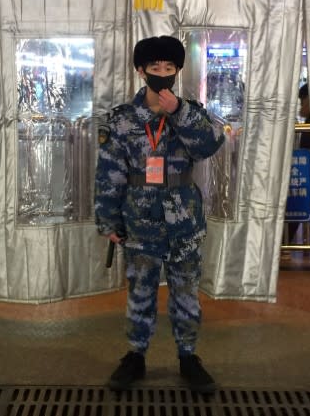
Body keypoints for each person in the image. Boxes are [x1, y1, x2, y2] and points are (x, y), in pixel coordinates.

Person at [95, 36, 225, 394]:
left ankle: (188, 357)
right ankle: (135, 356)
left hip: (184, 222)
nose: (162, 74)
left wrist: (178, 112)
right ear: (141, 71)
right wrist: (108, 220)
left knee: (186, 294)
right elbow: (109, 173)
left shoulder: (191, 113)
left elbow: (210, 145)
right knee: (140, 293)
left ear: (178, 71)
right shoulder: (122, 121)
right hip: (139, 223)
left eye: (170, 68)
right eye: (155, 68)